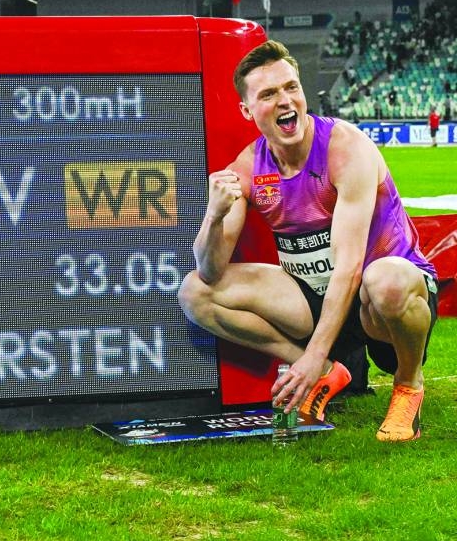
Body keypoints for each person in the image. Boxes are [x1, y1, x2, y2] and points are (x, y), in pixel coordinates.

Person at [178, 40, 438, 443]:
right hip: (313, 298)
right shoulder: (248, 167)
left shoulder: (345, 148)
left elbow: (349, 267)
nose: (285, 101)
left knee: (384, 280)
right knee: (194, 292)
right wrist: (213, 216)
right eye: (269, 94)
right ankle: (320, 373)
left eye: (291, 87)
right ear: (247, 110)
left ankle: (408, 384)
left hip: (378, 300)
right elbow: (210, 271)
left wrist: (318, 349)